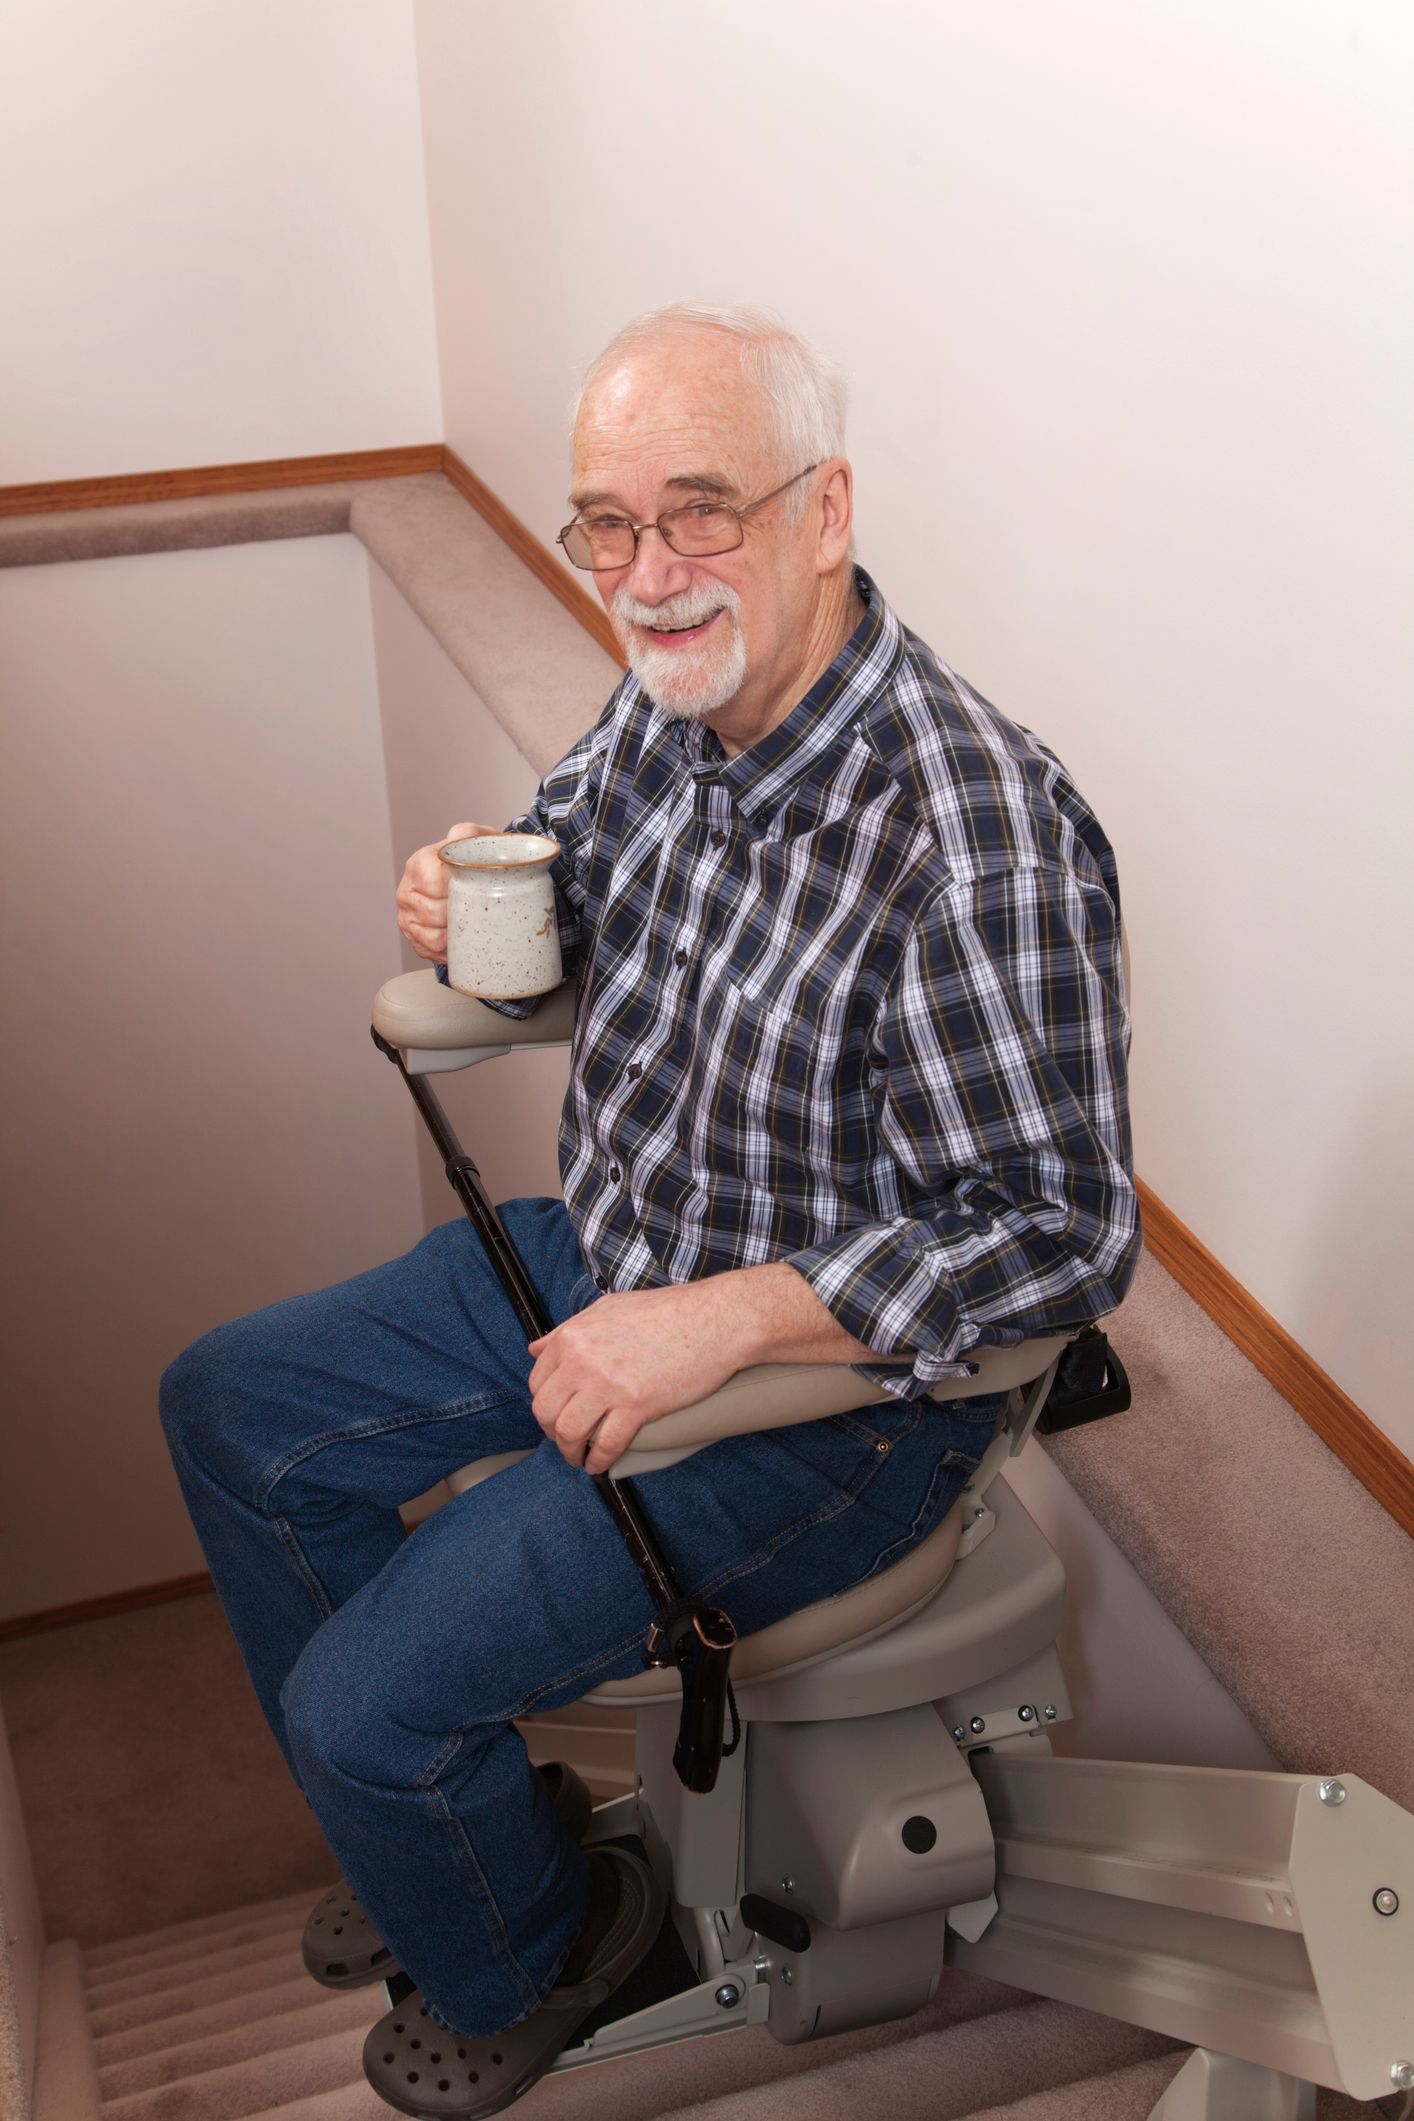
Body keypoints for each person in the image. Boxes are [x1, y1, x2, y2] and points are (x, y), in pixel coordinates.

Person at [160, 301, 1139, 2115]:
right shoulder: (674, 701)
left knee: (362, 1707)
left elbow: (1064, 1228)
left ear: (824, 511)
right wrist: (472, 894)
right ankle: (451, 1844)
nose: (645, 569)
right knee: (229, 1405)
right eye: (604, 521)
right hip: (613, 1251)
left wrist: (732, 1315)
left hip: (831, 1410)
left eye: (697, 510)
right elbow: (579, 873)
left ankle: (519, 1948)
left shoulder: (971, 828)